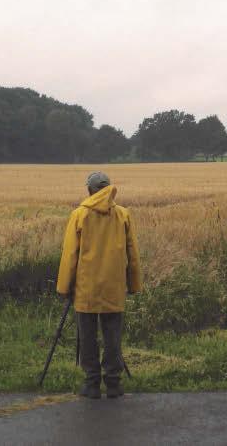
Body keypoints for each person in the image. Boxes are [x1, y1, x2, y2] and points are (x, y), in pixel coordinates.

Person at [56, 171, 142, 399]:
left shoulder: (79, 215)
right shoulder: (123, 215)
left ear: (89, 190)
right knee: (112, 336)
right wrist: (133, 284)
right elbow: (132, 254)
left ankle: (91, 384)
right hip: (114, 287)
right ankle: (114, 384)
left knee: (87, 336)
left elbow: (70, 255)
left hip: (86, 288)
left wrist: (64, 287)